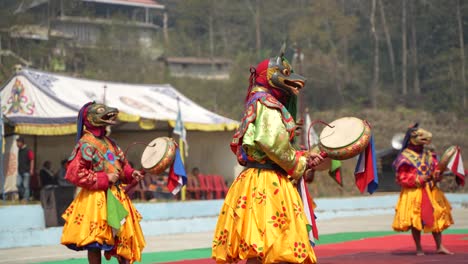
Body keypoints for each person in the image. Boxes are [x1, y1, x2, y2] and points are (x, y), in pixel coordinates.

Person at [211, 47, 324, 264]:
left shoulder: (255, 102)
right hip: (268, 182)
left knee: (258, 245)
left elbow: (268, 146)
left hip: (253, 180)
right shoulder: (267, 105)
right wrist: (300, 161)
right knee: (275, 247)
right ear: (270, 77)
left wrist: (302, 156)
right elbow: (272, 143)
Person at [61, 102, 145, 264]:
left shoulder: (110, 143)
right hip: (95, 200)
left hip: (116, 196)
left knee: (124, 238)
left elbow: (122, 166)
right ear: (89, 118)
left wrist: (131, 173)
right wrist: (104, 178)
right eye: (101, 112)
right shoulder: (85, 144)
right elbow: (74, 173)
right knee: (95, 243)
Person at [392, 123, 454, 256]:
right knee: (416, 220)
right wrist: (419, 178)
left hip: (431, 190)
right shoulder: (404, 157)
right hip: (414, 192)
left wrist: (437, 176)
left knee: (436, 216)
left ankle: (439, 246)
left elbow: (436, 170)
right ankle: (419, 248)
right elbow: (401, 177)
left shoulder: (429, 154)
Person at [16, 137, 35, 202]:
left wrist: (31, 169)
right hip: (20, 171)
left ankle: (26, 199)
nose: (17, 144)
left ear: (22, 142)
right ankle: (25, 196)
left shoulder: (28, 150)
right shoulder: (19, 150)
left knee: (26, 186)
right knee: (18, 184)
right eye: (17, 142)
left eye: (18, 142)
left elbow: (32, 160)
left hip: (26, 171)